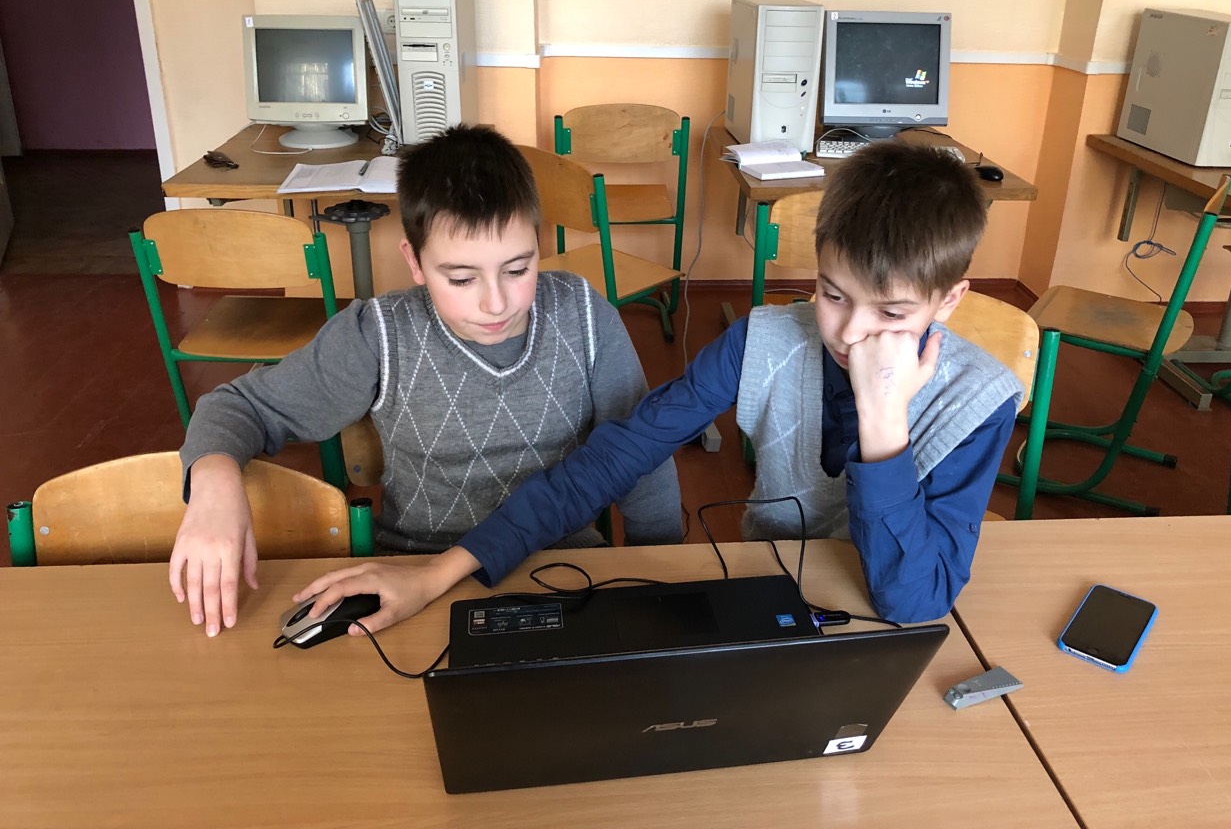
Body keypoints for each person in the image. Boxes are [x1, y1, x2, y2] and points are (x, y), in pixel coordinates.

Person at [294, 140, 1023, 631]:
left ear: (948, 301)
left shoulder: (979, 398)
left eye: (891, 314)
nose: (851, 334)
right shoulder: (764, 339)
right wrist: (440, 574)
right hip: (773, 590)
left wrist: (884, 424)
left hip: (883, 612)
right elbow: (616, 456)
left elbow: (913, 601)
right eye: (832, 294)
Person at [169, 124, 681, 636]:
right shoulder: (379, 334)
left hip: (562, 569)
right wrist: (214, 485)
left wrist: (666, 575)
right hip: (413, 575)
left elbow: (642, 455)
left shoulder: (583, 314)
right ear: (414, 261)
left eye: (517, 269)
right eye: (461, 278)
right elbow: (241, 407)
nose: (495, 303)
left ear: (537, 243)